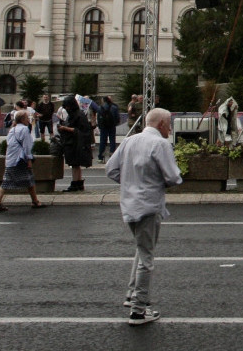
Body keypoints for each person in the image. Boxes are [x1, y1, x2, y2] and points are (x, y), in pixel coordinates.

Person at [105, 107, 182, 326]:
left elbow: (111, 169)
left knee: (141, 250)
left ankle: (132, 296)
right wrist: (151, 184)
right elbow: (174, 177)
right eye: (169, 124)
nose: (170, 128)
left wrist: (130, 183)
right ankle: (139, 309)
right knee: (147, 259)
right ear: (161, 125)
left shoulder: (130, 141)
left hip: (129, 204)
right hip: (149, 205)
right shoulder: (160, 144)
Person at [0, 110, 44, 212]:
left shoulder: (12, 130)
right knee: (29, 179)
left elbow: (10, 144)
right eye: (27, 118)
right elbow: (27, 146)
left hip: (11, 160)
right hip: (20, 160)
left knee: (6, 182)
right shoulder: (24, 129)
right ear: (23, 119)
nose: (28, 120)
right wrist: (29, 159)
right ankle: (35, 201)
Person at [58, 95, 95, 192]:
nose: (66, 108)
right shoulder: (76, 114)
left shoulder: (78, 115)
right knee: (75, 164)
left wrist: (64, 128)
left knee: (75, 164)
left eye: (67, 106)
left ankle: (75, 183)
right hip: (73, 142)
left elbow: (79, 130)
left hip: (76, 143)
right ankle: (78, 183)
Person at [95, 96, 120, 160]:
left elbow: (98, 118)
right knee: (112, 140)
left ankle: (101, 156)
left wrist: (100, 126)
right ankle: (112, 154)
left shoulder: (100, 108)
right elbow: (117, 117)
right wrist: (115, 123)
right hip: (112, 126)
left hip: (103, 127)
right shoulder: (114, 107)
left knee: (102, 141)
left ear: (103, 101)